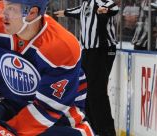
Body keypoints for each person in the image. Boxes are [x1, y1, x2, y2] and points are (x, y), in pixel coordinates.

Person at [0, 0, 94, 135]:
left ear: (32, 13)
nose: (3, 13)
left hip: (59, 116)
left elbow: (49, 108)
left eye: (11, 9)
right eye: (3, 5)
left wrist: (12, 130)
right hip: (12, 102)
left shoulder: (61, 48)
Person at [54, 0, 119, 135]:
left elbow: (113, 6)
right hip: (88, 51)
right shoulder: (86, 4)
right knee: (86, 91)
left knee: (97, 92)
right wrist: (65, 12)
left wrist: (105, 9)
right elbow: (78, 11)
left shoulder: (102, 2)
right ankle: (92, 127)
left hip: (102, 50)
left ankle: (106, 131)